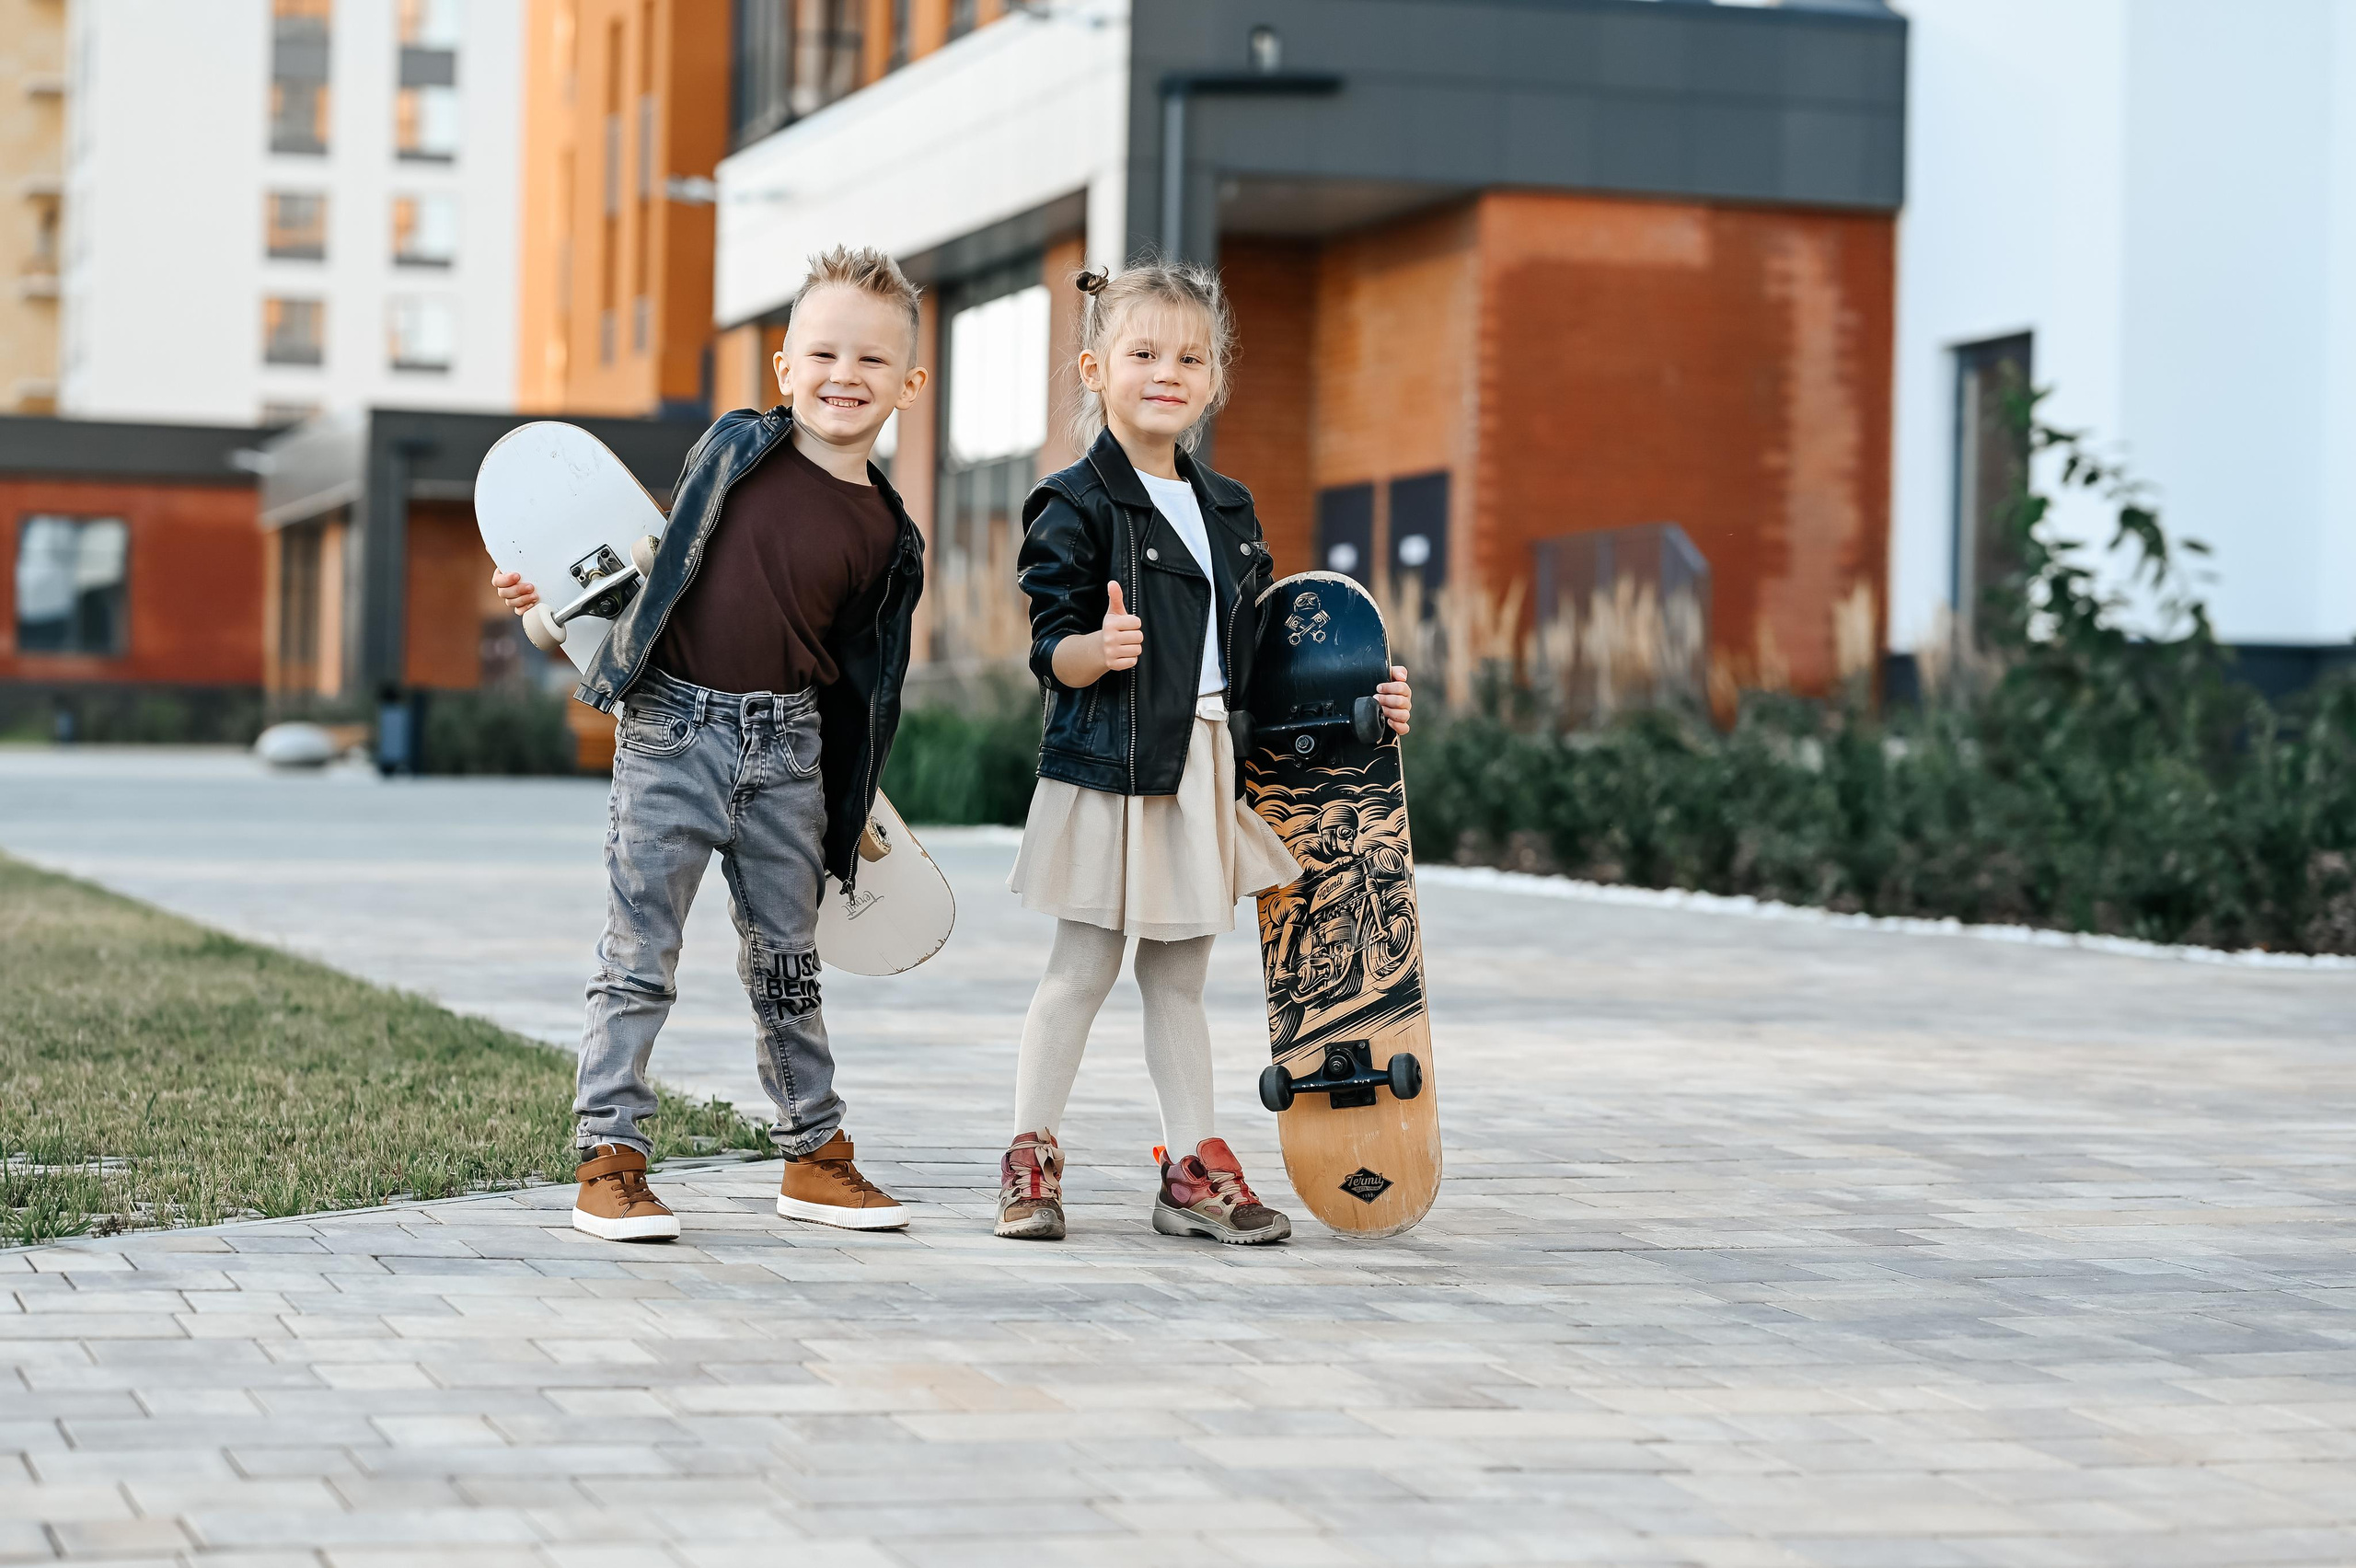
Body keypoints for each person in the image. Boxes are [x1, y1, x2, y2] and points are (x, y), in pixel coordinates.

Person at [491, 247, 929, 1243]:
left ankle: (814, 1156)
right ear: (783, 367)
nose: (843, 377)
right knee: (638, 954)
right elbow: (636, 574)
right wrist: (540, 615)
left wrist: (849, 808)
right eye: (822, 353)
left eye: (870, 361)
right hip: (671, 734)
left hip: (790, 754)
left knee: (787, 964)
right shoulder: (733, 450)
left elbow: (866, 686)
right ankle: (610, 1158)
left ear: (908, 384)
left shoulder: (890, 539)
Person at [995, 259, 1412, 1245]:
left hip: (1208, 762)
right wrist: (1092, 652)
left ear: (1214, 379)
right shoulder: (1074, 500)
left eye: (1189, 356)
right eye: (1142, 352)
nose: (1166, 372)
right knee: (1082, 968)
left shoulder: (1228, 508)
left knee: (1177, 978)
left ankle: (1192, 1169)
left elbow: (1265, 657)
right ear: (1095, 368)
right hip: (1112, 764)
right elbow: (1047, 640)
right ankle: (1029, 1153)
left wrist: (1368, 703)